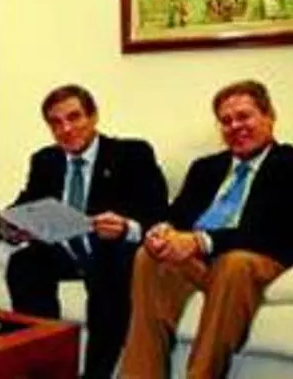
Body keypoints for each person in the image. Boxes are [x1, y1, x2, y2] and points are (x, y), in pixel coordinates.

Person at [120, 80, 293, 379]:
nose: (235, 126)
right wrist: (162, 233)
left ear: (269, 116)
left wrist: (201, 241)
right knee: (148, 257)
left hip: (254, 258)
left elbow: (273, 229)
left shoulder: (289, 164)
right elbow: (177, 215)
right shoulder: (206, 167)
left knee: (234, 263)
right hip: (199, 262)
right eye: (226, 121)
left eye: (244, 116)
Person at [0, 84, 168, 379]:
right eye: (56, 123)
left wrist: (127, 227)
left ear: (93, 116)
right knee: (24, 262)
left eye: (74, 117)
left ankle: (96, 374)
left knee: (110, 268)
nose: (66, 129)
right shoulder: (46, 161)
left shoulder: (132, 154)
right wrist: (9, 228)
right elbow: (23, 205)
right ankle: (44, 367)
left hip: (109, 252)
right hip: (64, 253)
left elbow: (159, 212)